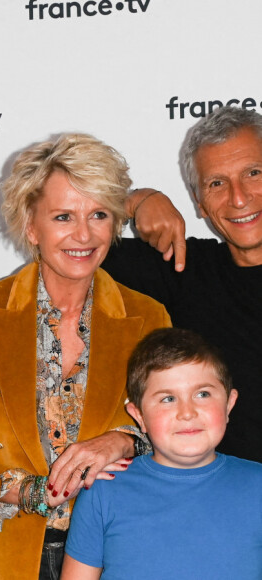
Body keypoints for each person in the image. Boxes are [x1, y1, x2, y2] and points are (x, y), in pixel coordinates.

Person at [0, 133, 171, 580]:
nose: (83, 234)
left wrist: (123, 440)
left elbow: (171, 434)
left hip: (112, 554)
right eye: (63, 216)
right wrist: (32, 493)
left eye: (98, 214)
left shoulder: (147, 317)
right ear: (30, 225)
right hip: (1, 556)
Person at [103, 106, 262, 463]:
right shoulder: (184, 268)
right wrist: (136, 200)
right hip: (217, 506)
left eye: (254, 173)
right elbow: (67, 239)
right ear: (199, 204)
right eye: (217, 183)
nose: (239, 197)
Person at [62, 327, 262, 579]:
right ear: (139, 416)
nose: (187, 412)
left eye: (203, 394)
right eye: (168, 399)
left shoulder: (258, 485)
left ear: (229, 403)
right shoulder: (103, 489)